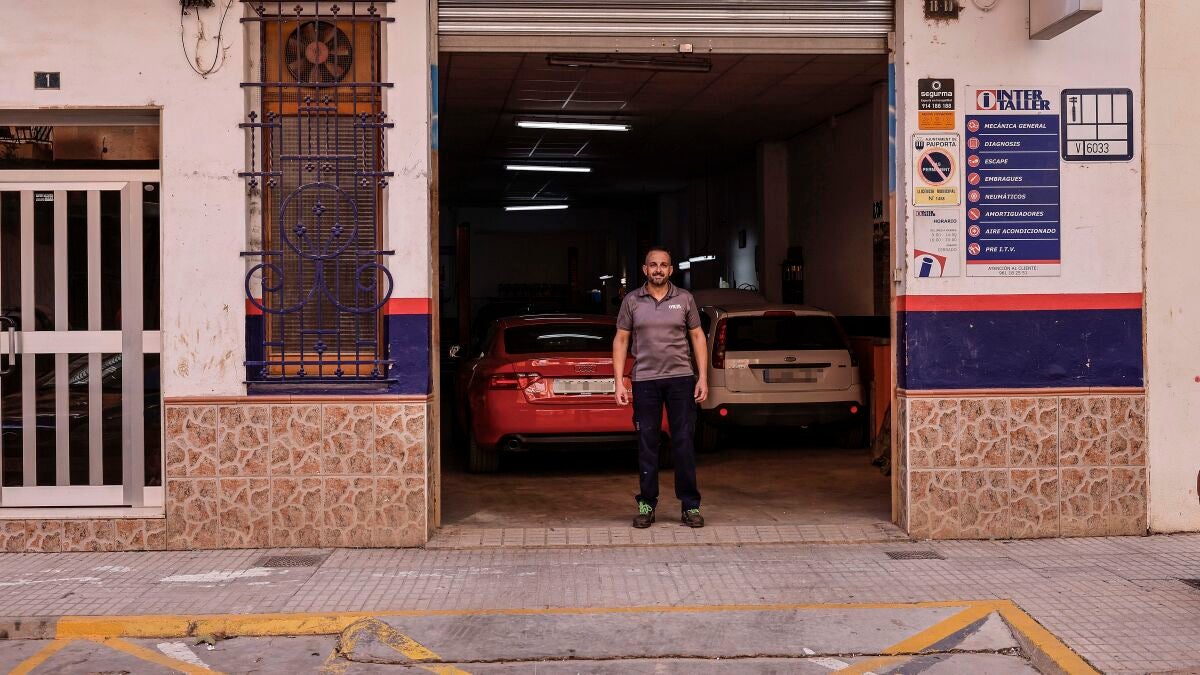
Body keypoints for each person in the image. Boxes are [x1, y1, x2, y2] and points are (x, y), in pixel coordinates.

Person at [613, 247, 709, 529]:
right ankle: (646, 504)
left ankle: (690, 506)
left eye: (663, 265)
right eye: (653, 265)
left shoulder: (685, 299)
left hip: (681, 379)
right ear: (645, 269)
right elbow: (621, 339)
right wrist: (619, 381)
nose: (658, 269)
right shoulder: (632, 300)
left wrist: (702, 377)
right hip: (645, 381)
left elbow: (697, 336)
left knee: (683, 443)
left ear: (671, 270)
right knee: (647, 443)